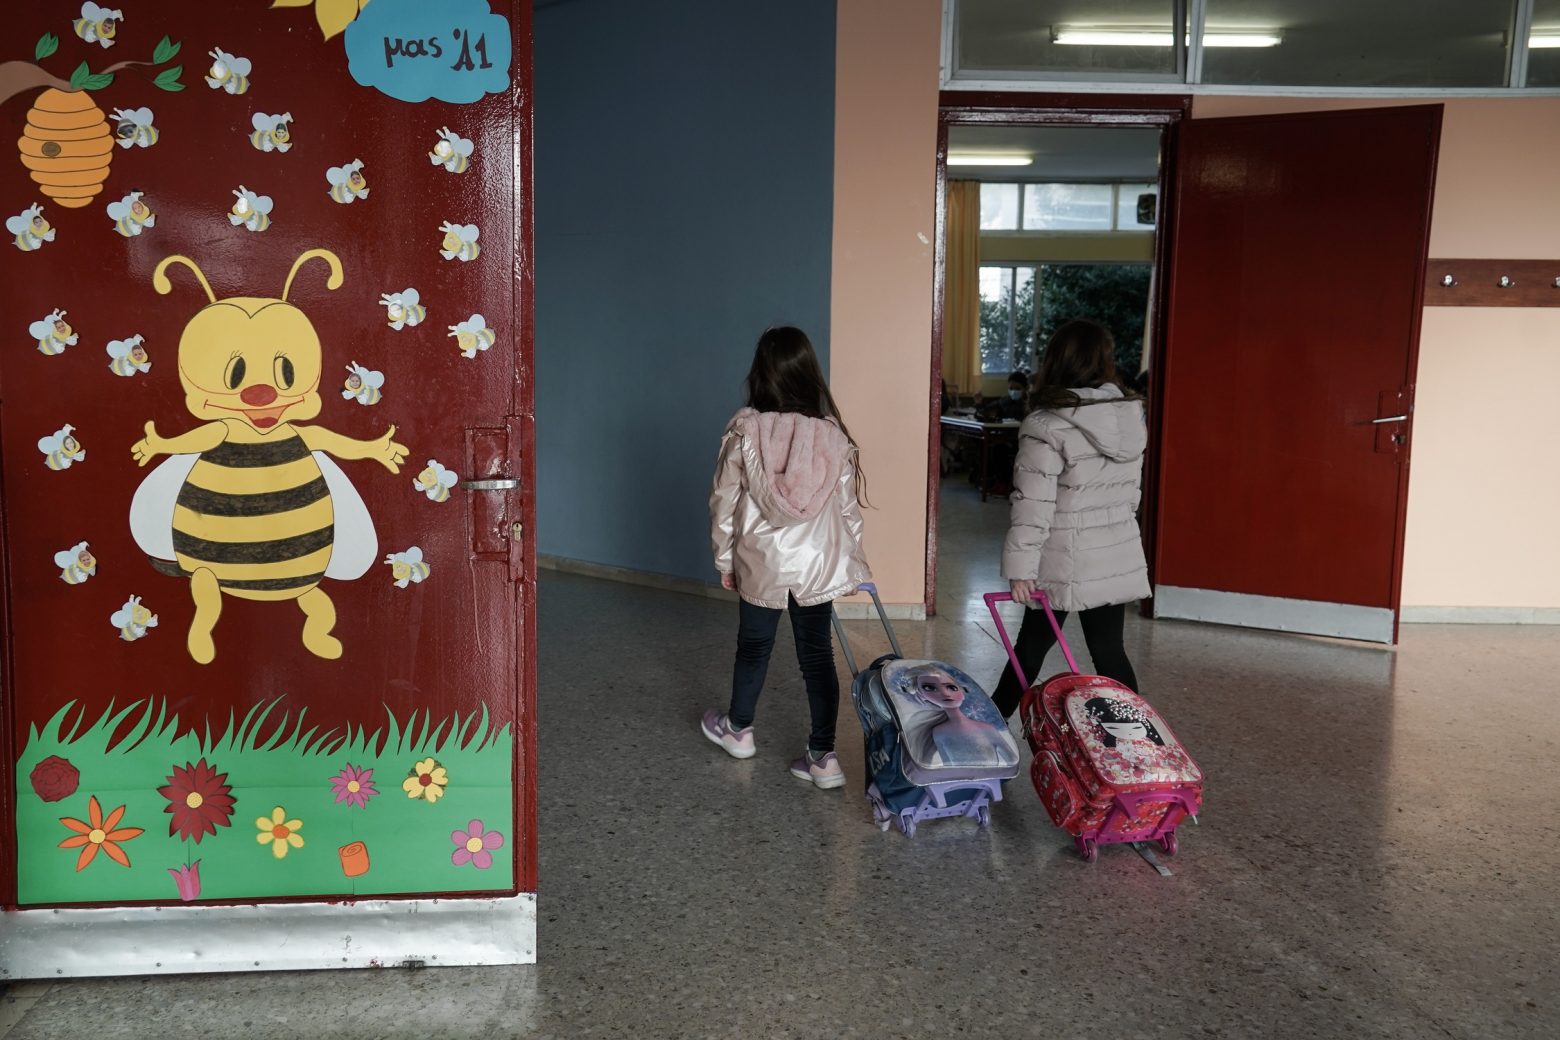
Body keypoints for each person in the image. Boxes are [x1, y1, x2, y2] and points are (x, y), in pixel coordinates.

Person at [704, 326, 871, 790]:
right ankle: (823, 756)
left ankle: (739, 730)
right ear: (809, 374)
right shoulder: (832, 438)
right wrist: (852, 565)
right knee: (817, 656)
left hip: (762, 561)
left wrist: (725, 561)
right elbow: (848, 512)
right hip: (817, 563)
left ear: (761, 374)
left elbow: (723, 503)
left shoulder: (745, 432)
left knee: (753, 647)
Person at [991, 319, 1148, 718]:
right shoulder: (1129, 417)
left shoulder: (1047, 424)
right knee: (1109, 651)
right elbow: (1130, 495)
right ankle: (1140, 738)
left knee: (1030, 649)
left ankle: (987, 729)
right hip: (1114, 552)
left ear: (1055, 361)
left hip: (1061, 555)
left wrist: (1021, 569)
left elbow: (1033, 503)